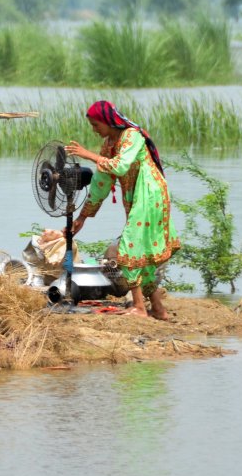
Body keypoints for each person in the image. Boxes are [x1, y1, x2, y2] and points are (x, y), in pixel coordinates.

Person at [66, 100, 180, 319]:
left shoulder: (132, 136)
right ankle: (157, 308)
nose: (94, 129)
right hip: (136, 199)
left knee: (128, 249)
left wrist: (88, 155)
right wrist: (81, 218)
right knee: (141, 253)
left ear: (108, 121)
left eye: (95, 125)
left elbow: (120, 165)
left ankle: (139, 307)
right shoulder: (109, 145)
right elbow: (101, 184)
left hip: (150, 196)